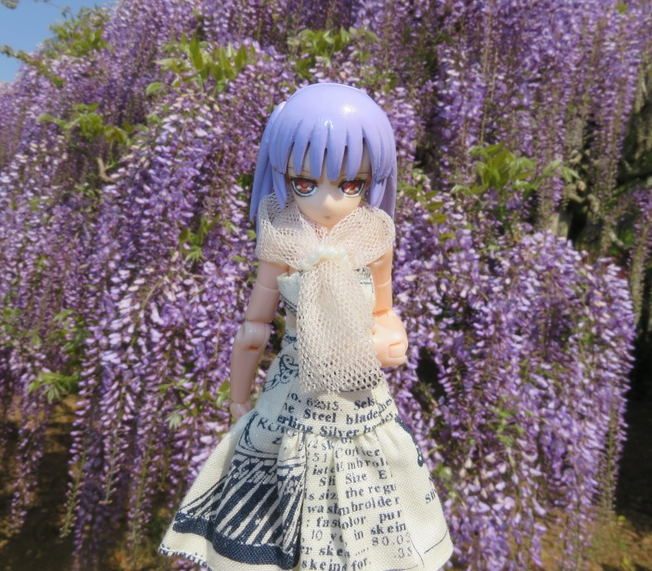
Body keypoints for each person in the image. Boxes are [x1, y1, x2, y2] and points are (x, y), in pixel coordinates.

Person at [159, 83, 453, 571]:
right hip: (293, 396)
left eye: (351, 185)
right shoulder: (283, 241)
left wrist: (391, 336)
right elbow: (254, 328)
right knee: (278, 502)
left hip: (358, 400)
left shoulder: (374, 239)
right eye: (304, 182)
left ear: (373, 181)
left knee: (366, 503)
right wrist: (239, 400)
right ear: (283, 177)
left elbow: (384, 311)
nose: (328, 201)